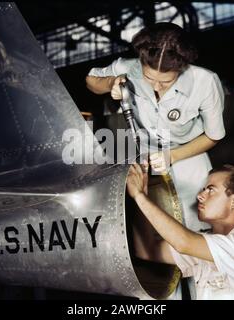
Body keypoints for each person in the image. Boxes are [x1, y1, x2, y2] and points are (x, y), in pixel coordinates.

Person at [86, 22, 225, 236]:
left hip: (188, 156)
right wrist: (112, 82)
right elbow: (91, 80)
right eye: (149, 78)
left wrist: (173, 156)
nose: (155, 87)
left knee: (197, 230)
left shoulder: (206, 82)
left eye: (166, 82)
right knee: (153, 234)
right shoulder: (129, 67)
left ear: (181, 68)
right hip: (146, 160)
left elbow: (214, 135)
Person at [126, 162, 234, 300]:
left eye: (211, 190)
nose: (200, 196)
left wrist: (140, 196)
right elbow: (147, 251)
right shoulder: (205, 246)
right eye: (203, 190)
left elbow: (184, 243)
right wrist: (141, 196)